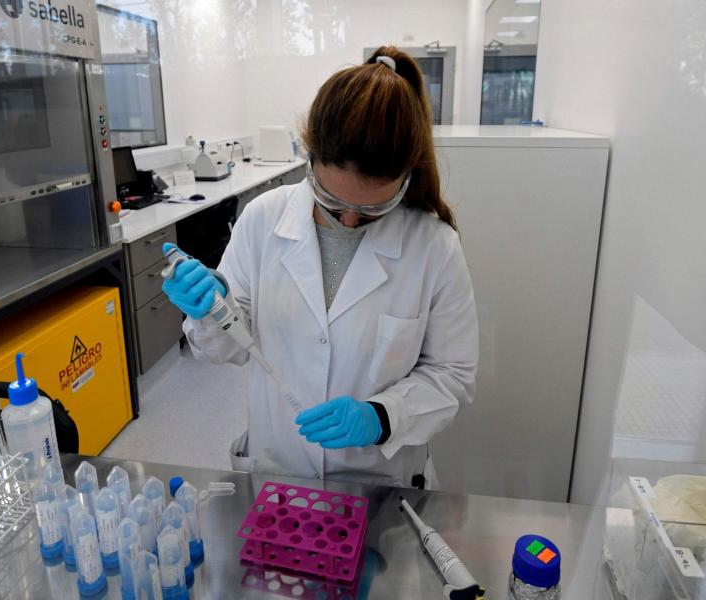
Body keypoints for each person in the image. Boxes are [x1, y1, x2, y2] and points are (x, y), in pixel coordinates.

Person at [160, 46, 478, 488]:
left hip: (378, 480)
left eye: (371, 210)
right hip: (280, 466)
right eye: (332, 201)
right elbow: (226, 349)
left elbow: (453, 376)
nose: (348, 220)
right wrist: (210, 309)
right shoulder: (263, 219)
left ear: (405, 179)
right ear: (309, 160)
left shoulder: (434, 246)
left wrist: (382, 416)